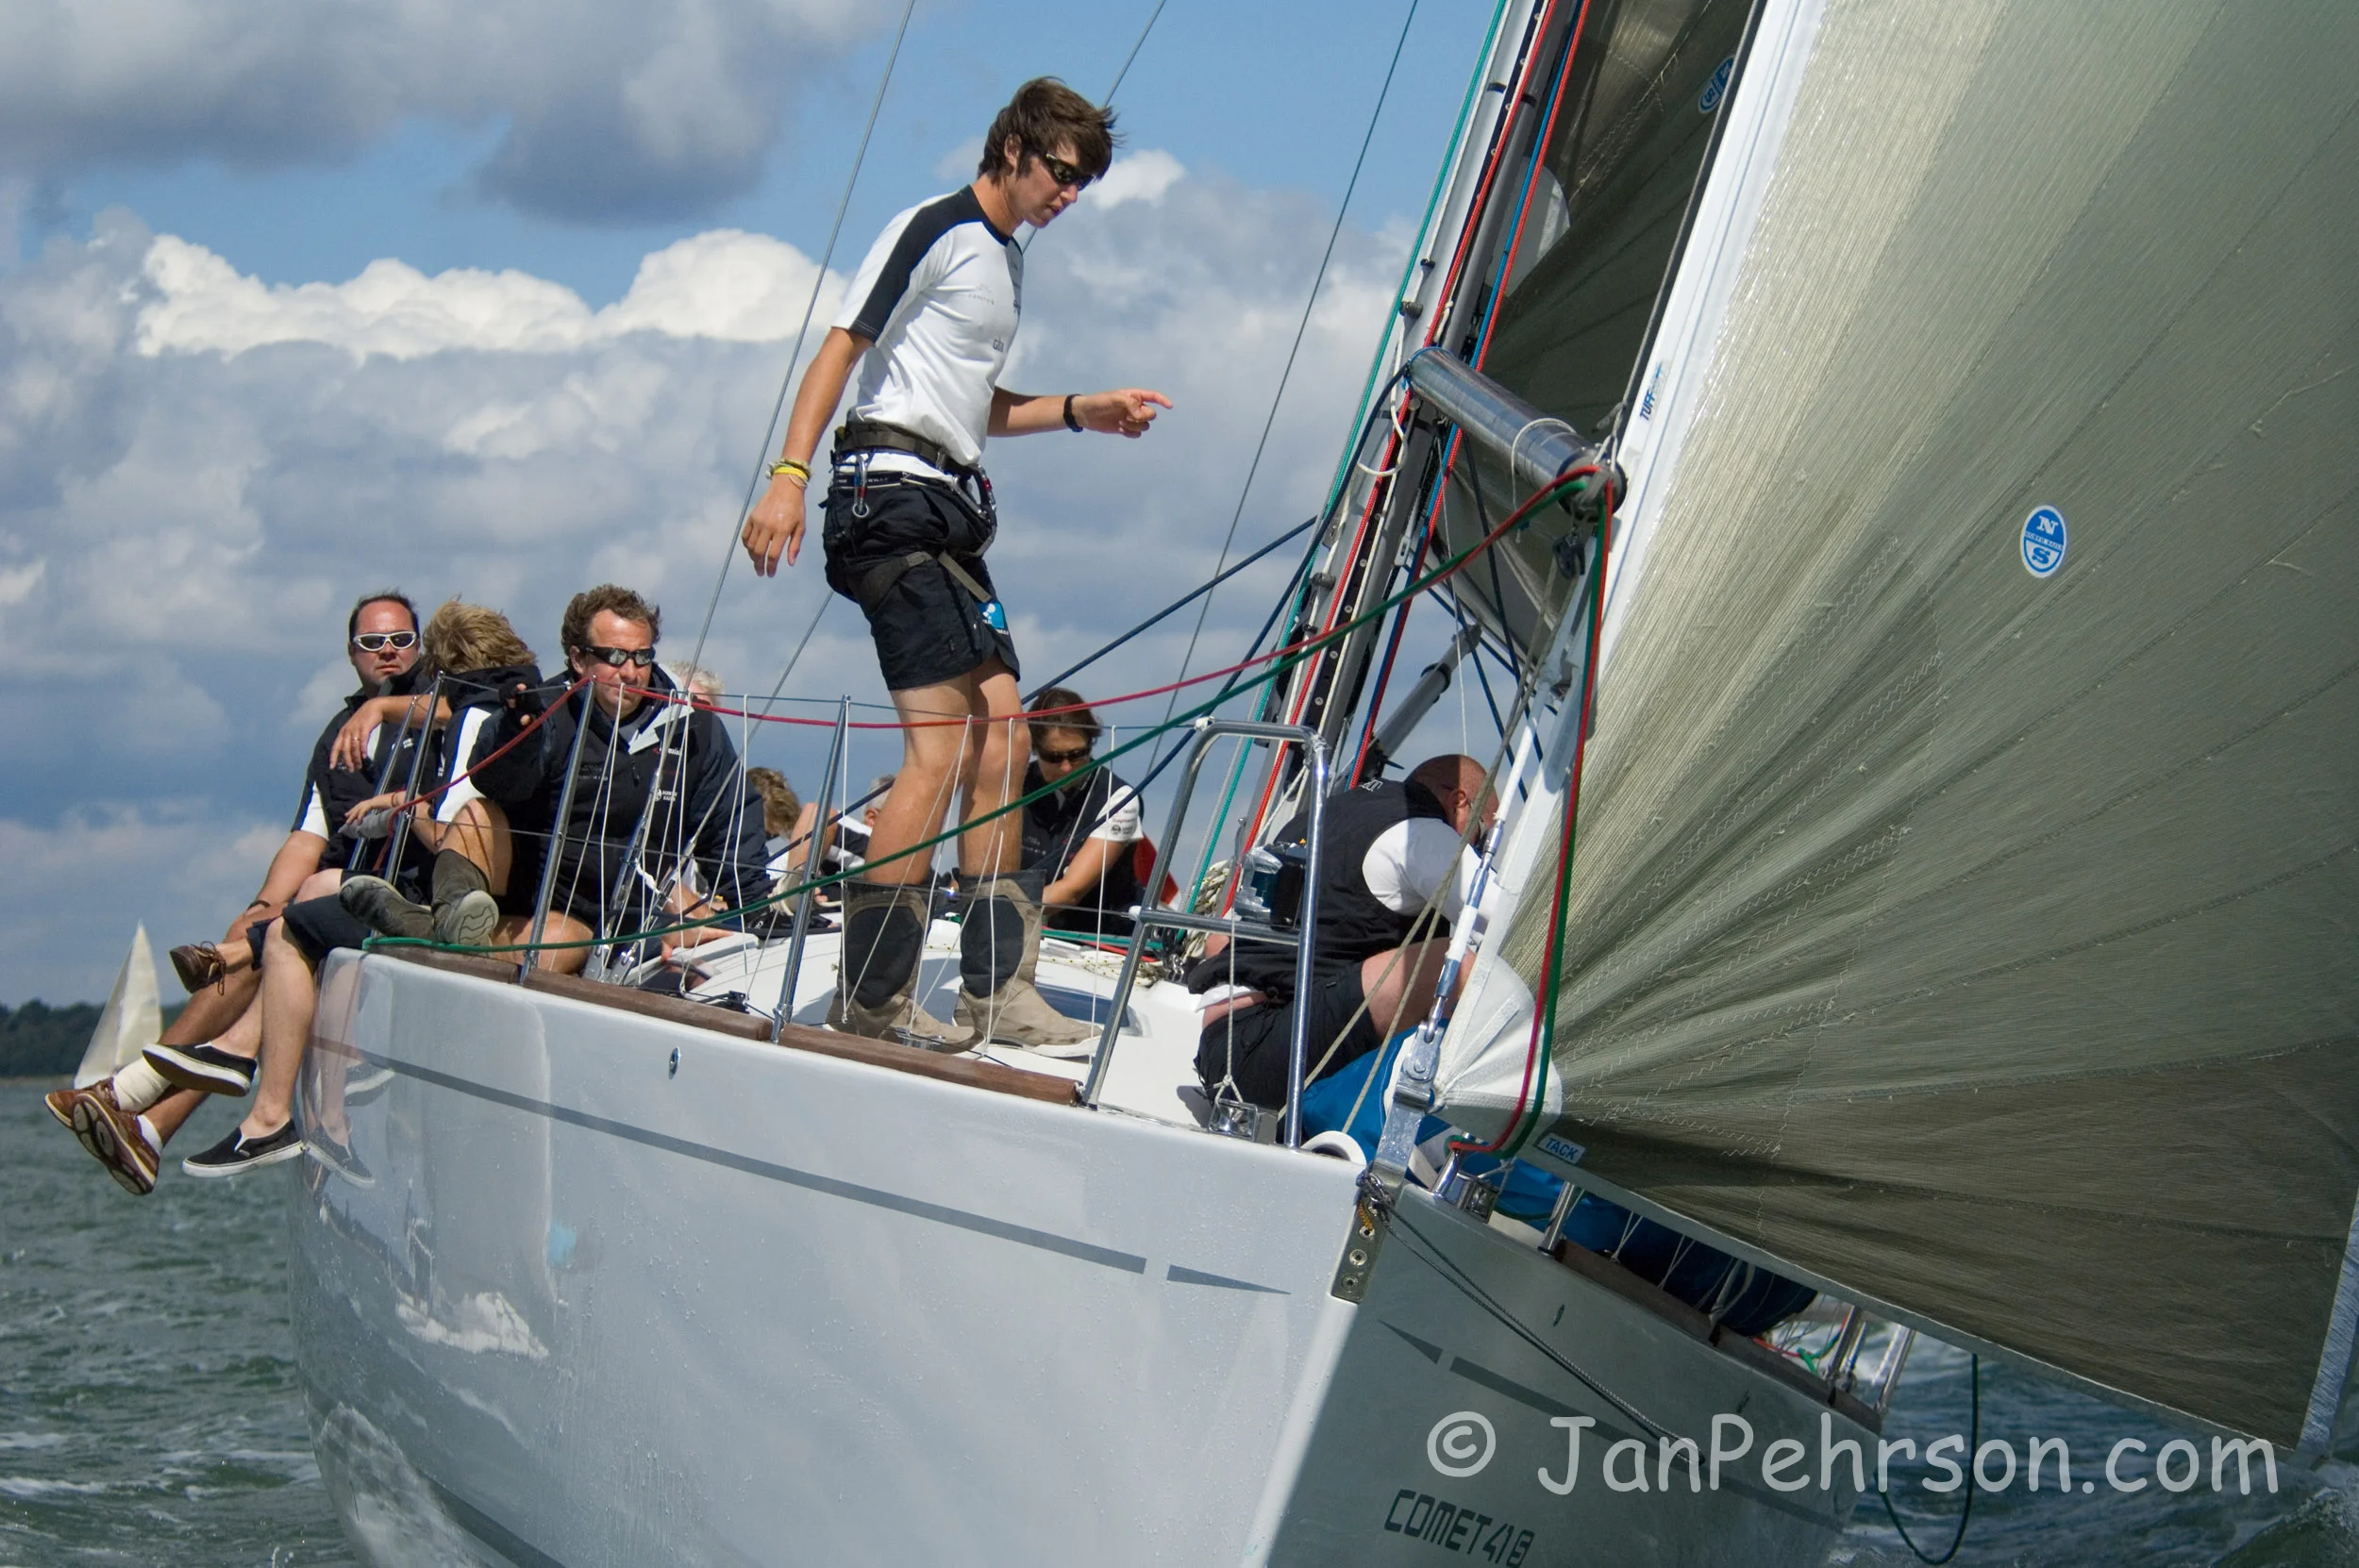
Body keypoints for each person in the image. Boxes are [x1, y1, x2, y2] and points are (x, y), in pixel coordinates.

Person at [737, 77, 1170, 1052]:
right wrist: (787, 476)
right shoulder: (933, 227)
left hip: (948, 513)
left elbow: (964, 403)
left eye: (1082, 185)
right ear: (1013, 149)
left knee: (1006, 739)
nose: (1068, 196)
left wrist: (1077, 409)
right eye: (1061, 174)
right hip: (884, 500)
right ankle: (873, 998)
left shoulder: (1004, 263)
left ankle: (996, 991)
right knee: (937, 751)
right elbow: (843, 349)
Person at [43, 590, 433, 1193]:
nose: (387, 652)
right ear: (350, 653)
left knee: (275, 934)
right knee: (256, 930)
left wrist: (385, 713)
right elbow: (309, 833)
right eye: (371, 642)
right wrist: (259, 905)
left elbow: (468, 722)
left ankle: (133, 1094)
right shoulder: (336, 734)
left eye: (401, 640)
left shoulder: (443, 706)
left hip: (386, 898)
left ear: (421, 644)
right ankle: (147, 1127)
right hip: (325, 891)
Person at [345, 585, 764, 976]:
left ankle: (425, 932)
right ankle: (451, 916)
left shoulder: (695, 729)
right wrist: (514, 728)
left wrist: (755, 911)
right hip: (535, 900)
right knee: (480, 813)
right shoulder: (546, 711)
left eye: (642, 656)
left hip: (615, 914)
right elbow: (500, 782)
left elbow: (730, 819)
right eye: (614, 657)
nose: (630, 672)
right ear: (579, 659)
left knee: (562, 941)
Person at [1191, 756, 1497, 1113]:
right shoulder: (1420, 830)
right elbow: (1503, 923)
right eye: (1482, 835)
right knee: (1457, 962)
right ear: (1460, 800)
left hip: (1218, 1051)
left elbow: (1219, 942)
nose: (1476, 850)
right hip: (1261, 1062)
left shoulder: (1319, 820)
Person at [1020, 689, 1146, 941]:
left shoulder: (1120, 799)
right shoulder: (1013, 786)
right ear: (1034, 748)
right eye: (1054, 757)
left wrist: (992, 902)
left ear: (1090, 743)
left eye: (1077, 754)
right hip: (1021, 930)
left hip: (1099, 942)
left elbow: (1071, 891)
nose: (1066, 767)